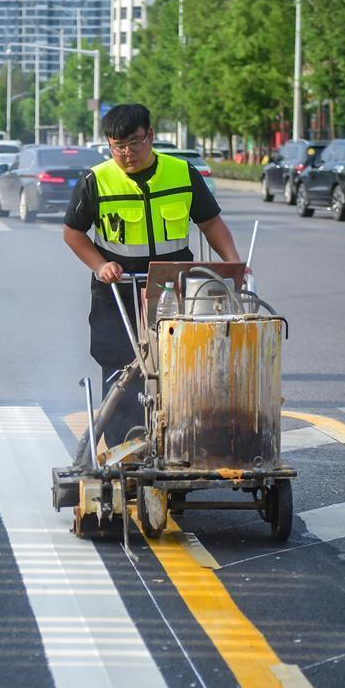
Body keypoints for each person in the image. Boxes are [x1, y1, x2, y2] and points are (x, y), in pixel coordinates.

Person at [62, 103, 243, 448]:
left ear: (151, 136)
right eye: (118, 146)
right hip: (118, 291)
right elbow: (72, 233)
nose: (127, 153)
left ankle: (185, 440)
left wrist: (233, 265)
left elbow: (210, 223)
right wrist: (100, 265)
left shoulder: (182, 173)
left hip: (174, 289)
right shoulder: (96, 181)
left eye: (134, 143)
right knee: (120, 369)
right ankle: (124, 451)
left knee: (185, 363)